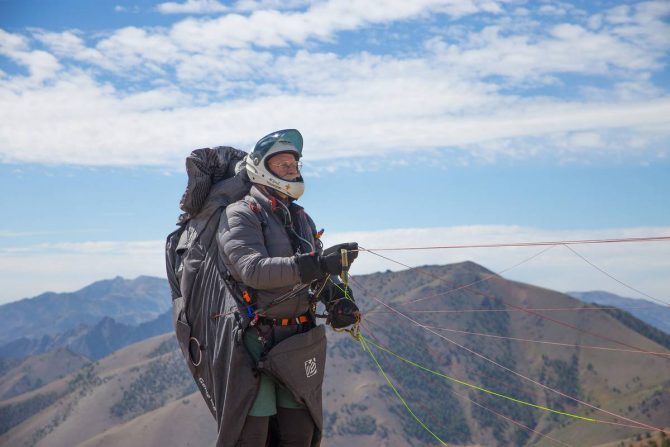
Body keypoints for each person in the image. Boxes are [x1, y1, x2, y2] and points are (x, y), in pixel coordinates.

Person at [218, 129, 360, 447]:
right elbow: (252, 271)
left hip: (298, 340)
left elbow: (317, 275)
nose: (292, 168)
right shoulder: (240, 214)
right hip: (253, 342)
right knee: (252, 437)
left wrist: (338, 299)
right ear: (261, 168)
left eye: (294, 162)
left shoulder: (300, 218)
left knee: (301, 434)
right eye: (282, 163)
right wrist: (319, 264)